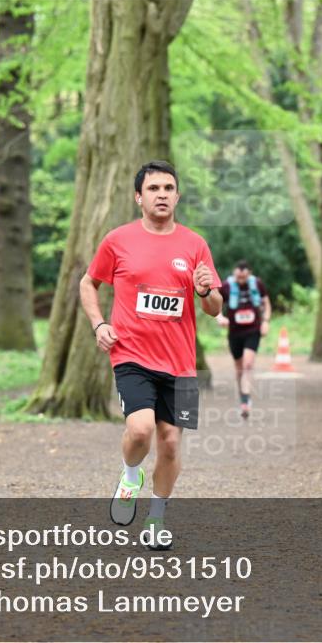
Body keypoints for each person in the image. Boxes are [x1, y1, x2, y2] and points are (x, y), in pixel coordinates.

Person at [80, 160, 222, 550]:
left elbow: (214, 308)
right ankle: (129, 476)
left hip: (180, 363)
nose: (162, 194)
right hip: (131, 355)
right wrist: (98, 324)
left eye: (169, 188)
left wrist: (207, 290)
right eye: (154, 188)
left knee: (171, 444)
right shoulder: (118, 240)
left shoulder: (195, 245)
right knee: (141, 430)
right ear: (138, 197)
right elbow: (88, 283)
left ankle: (156, 520)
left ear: (177, 196)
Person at [216, 260, 271, 418]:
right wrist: (219, 317)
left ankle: (246, 402)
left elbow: (267, 303)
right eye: (238, 276)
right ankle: (243, 395)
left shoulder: (257, 284)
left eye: (244, 276)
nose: (241, 279)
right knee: (239, 368)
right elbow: (215, 303)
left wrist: (266, 321)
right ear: (234, 273)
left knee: (248, 364)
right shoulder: (227, 286)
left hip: (253, 331)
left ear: (249, 274)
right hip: (234, 333)